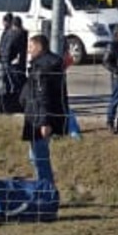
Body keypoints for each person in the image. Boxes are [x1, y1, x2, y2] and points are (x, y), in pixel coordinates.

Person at [23, 33, 70, 182]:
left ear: (39, 47)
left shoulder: (43, 67)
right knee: (35, 156)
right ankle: (41, 187)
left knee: (40, 157)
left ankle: (45, 190)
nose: (29, 50)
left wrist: (44, 122)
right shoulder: (44, 64)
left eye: (30, 47)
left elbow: (43, 97)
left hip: (39, 118)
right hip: (38, 115)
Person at [0, 13, 29, 114]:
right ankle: (19, 104)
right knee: (18, 84)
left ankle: (12, 105)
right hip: (19, 64)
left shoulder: (12, 34)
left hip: (12, 64)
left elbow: (6, 49)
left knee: (12, 84)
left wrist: (5, 60)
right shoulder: (22, 33)